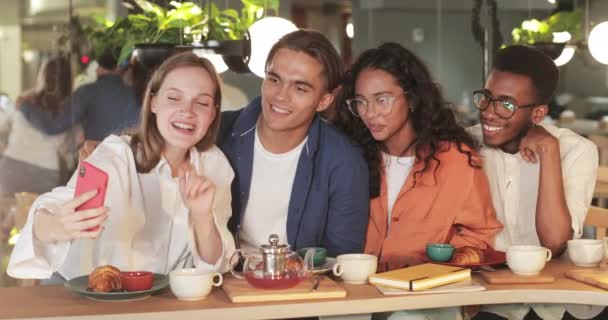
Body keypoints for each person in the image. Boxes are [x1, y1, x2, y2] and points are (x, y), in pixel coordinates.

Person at [8, 52, 236, 281]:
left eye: (202, 102)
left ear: (213, 113)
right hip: (91, 294)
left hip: (164, 304)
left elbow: (217, 266)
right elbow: (54, 210)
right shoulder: (116, 155)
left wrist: (203, 217)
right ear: (153, 101)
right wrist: (58, 225)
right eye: (174, 98)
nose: (187, 111)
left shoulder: (214, 165)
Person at [334, 42, 502, 320]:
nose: (370, 112)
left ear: (411, 99)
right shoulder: (353, 155)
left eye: (382, 99)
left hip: (427, 298)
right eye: (360, 101)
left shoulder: (454, 159)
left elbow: (479, 234)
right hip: (358, 295)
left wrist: (444, 261)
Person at [468, 46, 600, 320]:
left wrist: (548, 150)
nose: (489, 113)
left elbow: (555, 243)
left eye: (507, 105)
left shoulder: (575, 150)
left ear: (538, 114)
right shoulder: (464, 146)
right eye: (487, 98)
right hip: (489, 300)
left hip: (559, 301)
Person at [218, 30, 369, 257]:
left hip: (304, 287)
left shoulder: (344, 161)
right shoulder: (219, 134)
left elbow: (342, 259)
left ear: (324, 100)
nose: (281, 96)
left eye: (300, 88)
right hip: (227, 282)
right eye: (274, 79)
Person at [21, 50, 140, 141]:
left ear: (99, 67)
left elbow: (52, 126)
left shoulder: (87, 92)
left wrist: (24, 106)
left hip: (100, 160)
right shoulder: (136, 94)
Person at [0, 56, 76, 197]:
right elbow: (69, 148)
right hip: (45, 171)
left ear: (42, 75)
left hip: (12, 166)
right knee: (35, 217)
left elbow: (4, 127)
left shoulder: (24, 100)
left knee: (6, 217)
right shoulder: (69, 110)